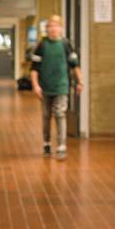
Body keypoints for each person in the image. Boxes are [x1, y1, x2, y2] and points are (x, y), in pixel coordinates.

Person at [30, 14, 83, 160]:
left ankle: (61, 145)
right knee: (46, 116)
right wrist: (35, 85)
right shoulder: (41, 45)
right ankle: (47, 143)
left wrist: (80, 82)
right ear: (46, 29)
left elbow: (75, 65)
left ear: (60, 28)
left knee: (60, 113)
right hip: (45, 87)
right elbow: (34, 68)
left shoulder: (66, 44)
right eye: (50, 26)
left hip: (62, 86)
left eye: (55, 26)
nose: (52, 29)